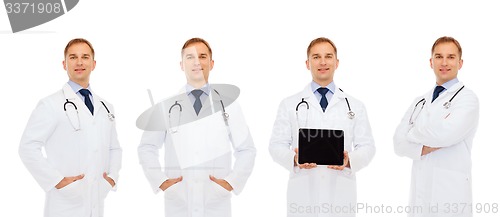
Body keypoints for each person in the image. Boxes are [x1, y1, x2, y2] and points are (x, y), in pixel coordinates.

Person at [137, 37, 256, 217]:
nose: (197, 62)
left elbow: (246, 149)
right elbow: (147, 147)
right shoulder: (165, 106)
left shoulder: (229, 105)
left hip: (215, 201)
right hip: (179, 200)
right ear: (181, 64)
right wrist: (160, 181)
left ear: (212, 63)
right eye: (190, 57)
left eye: (202, 56)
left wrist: (232, 182)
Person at [269, 37, 376, 217]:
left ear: (337, 62)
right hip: (303, 197)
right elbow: (275, 146)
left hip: (341, 195)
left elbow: (368, 147)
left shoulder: (355, 106)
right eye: (316, 57)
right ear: (307, 63)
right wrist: (294, 159)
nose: (323, 62)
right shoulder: (289, 104)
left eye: (328, 56)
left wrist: (349, 160)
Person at [18, 38, 123, 217]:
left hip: (97, 200)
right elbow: (27, 147)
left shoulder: (106, 107)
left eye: (85, 57)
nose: (80, 62)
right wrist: (57, 181)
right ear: (64, 64)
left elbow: (114, 148)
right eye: (73, 57)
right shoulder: (50, 104)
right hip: (65, 203)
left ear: (94, 64)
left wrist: (112, 179)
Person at [393, 36, 479, 217]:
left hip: (451, 196)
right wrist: (423, 146)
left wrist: (412, 133)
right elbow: (398, 144)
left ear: (460, 63)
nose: (444, 62)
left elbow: (445, 135)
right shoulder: (420, 101)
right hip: (419, 198)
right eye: (439, 57)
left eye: (451, 57)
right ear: (431, 62)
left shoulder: (467, 99)